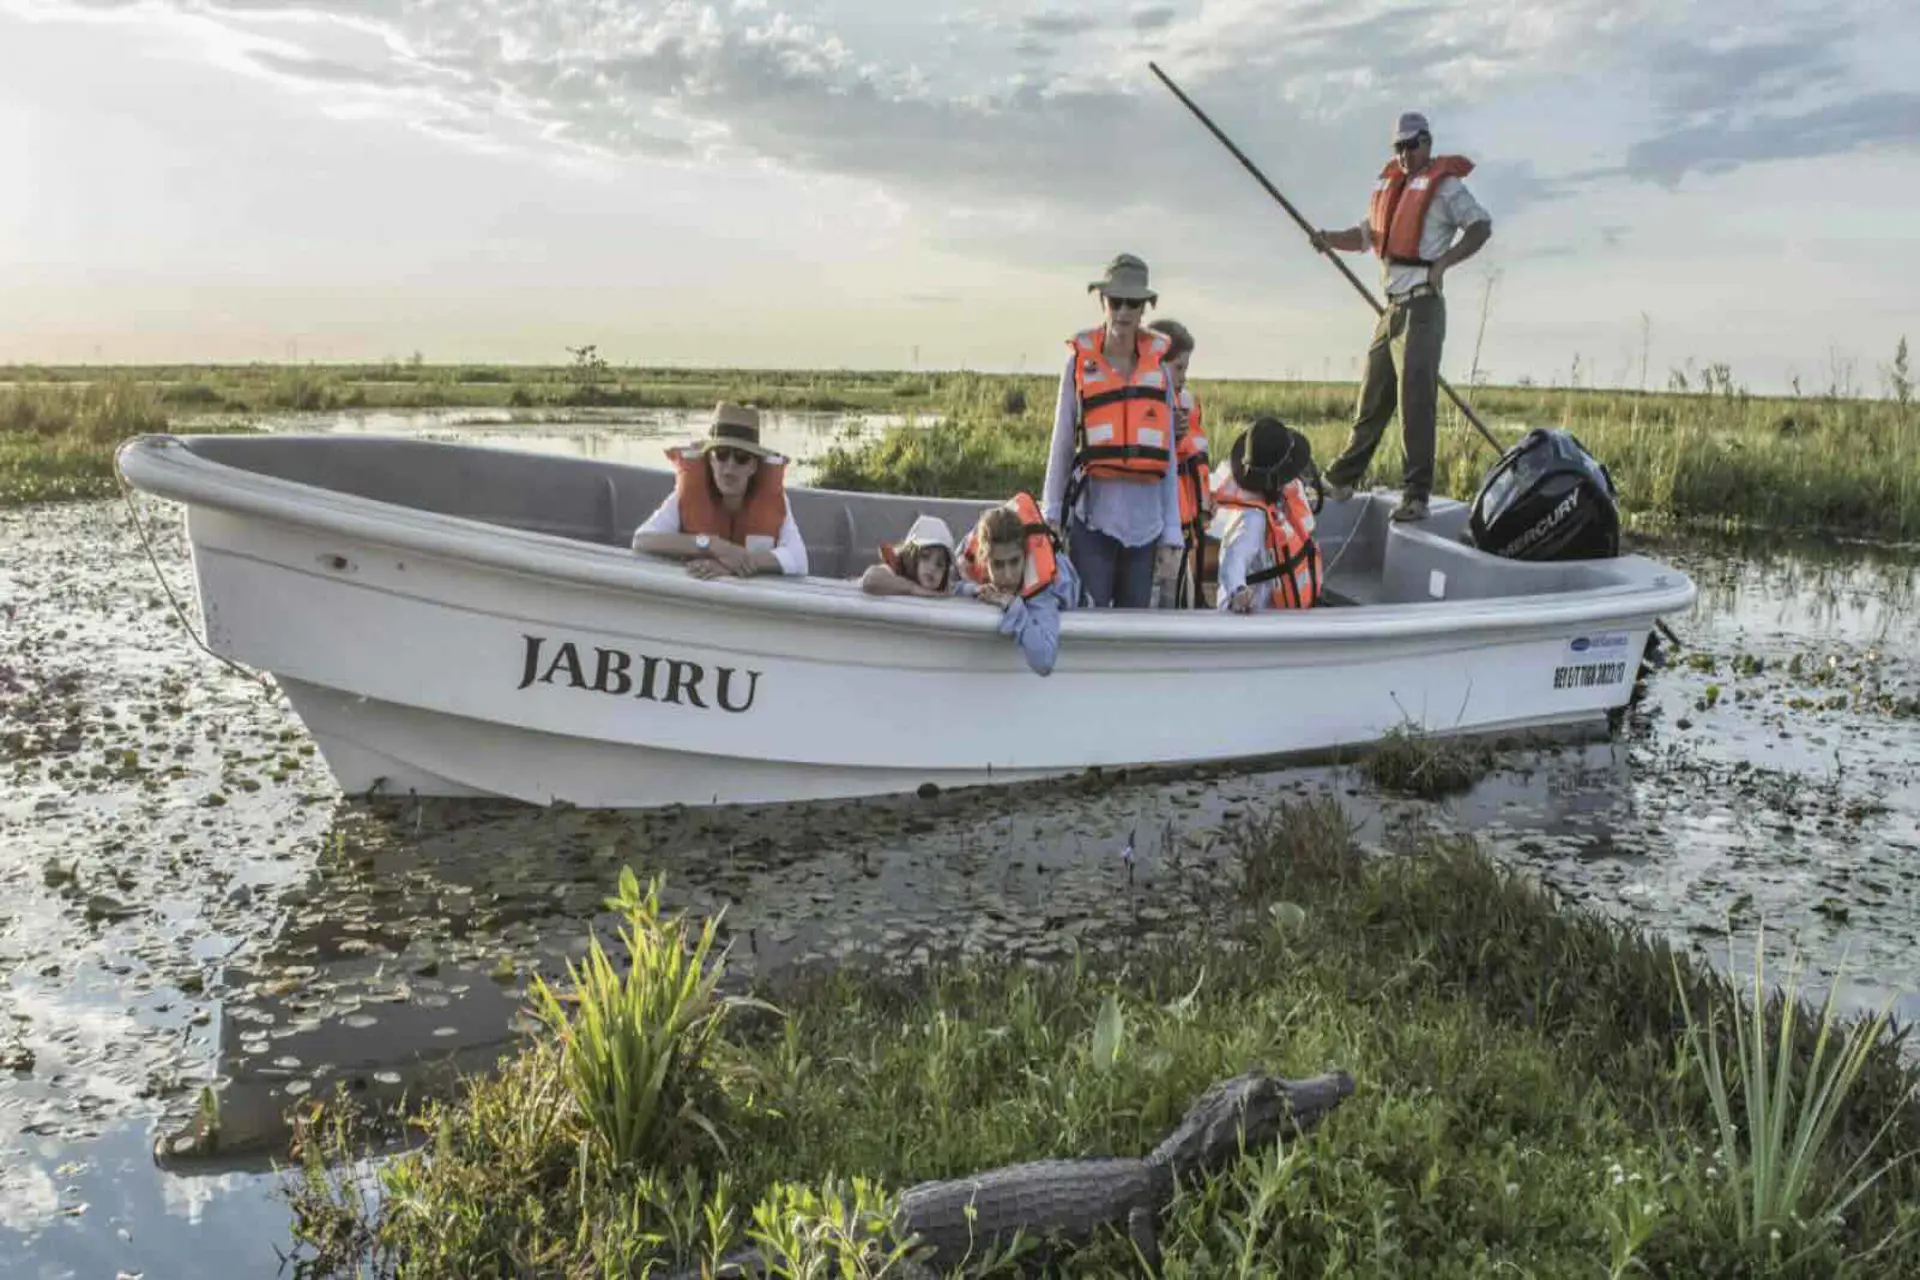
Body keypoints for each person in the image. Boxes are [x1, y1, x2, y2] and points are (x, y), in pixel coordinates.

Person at [1310, 111, 1493, 523]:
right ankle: (1341, 479)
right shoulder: (1390, 187)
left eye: (1412, 145)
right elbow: (1364, 236)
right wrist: (1329, 241)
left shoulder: (1446, 188)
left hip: (1422, 305)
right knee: (1372, 398)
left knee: (1415, 401)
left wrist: (1444, 263)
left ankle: (1416, 495)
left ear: (1427, 143)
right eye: (1399, 147)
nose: (1405, 153)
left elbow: (1480, 226)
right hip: (1391, 308)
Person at [1040, 253, 1184, 609]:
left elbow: (1168, 460)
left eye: (1132, 303)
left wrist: (1171, 532)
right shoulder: (1077, 365)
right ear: (1102, 302)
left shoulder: (1160, 373)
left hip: (1146, 526)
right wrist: (1052, 514)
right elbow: (1061, 443)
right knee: (1089, 615)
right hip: (1094, 521)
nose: (1123, 311)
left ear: (1144, 309)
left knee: (1134, 624)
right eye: (1115, 301)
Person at [630, 402, 809, 579]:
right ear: (711, 460)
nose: (729, 467)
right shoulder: (688, 494)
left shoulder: (775, 500)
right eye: (722, 454)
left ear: (753, 466)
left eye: (741, 457)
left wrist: (734, 564)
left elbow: (799, 560)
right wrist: (712, 545)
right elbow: (642, 540)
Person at [954, 494, 1083, 676]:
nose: (1007, 575)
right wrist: (975, 589)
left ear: (1026, 554)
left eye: (1014, 562)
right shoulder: (969, 556)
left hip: (1083, 600)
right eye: (998, 565)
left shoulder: (1041, 589)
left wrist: (1011, 605)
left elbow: (1044, 662)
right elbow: (947, 584)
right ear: (984, 560)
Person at [1210, 416, 1323, 613]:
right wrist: (1237, 591)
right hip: (1264, 613)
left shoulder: (1286, 495)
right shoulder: (1252, 518)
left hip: (1289, 609)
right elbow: (1233, 559)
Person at [1147, 317, 1213, 608]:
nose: (1184, 377)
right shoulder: (1145, 408)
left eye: (1186, 368)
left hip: (1187, 531)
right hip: (1156, 533)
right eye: (1178, 368)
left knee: (1180, 602)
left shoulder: (1186, 405)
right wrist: (1166, 431)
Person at [861, 514, 959, 597]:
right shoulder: (896, 569)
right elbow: (870, 580)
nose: (932, 567)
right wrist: (914, 589)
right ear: (911, 557)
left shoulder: (947, 589)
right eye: (925, 557)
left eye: (939, 564)